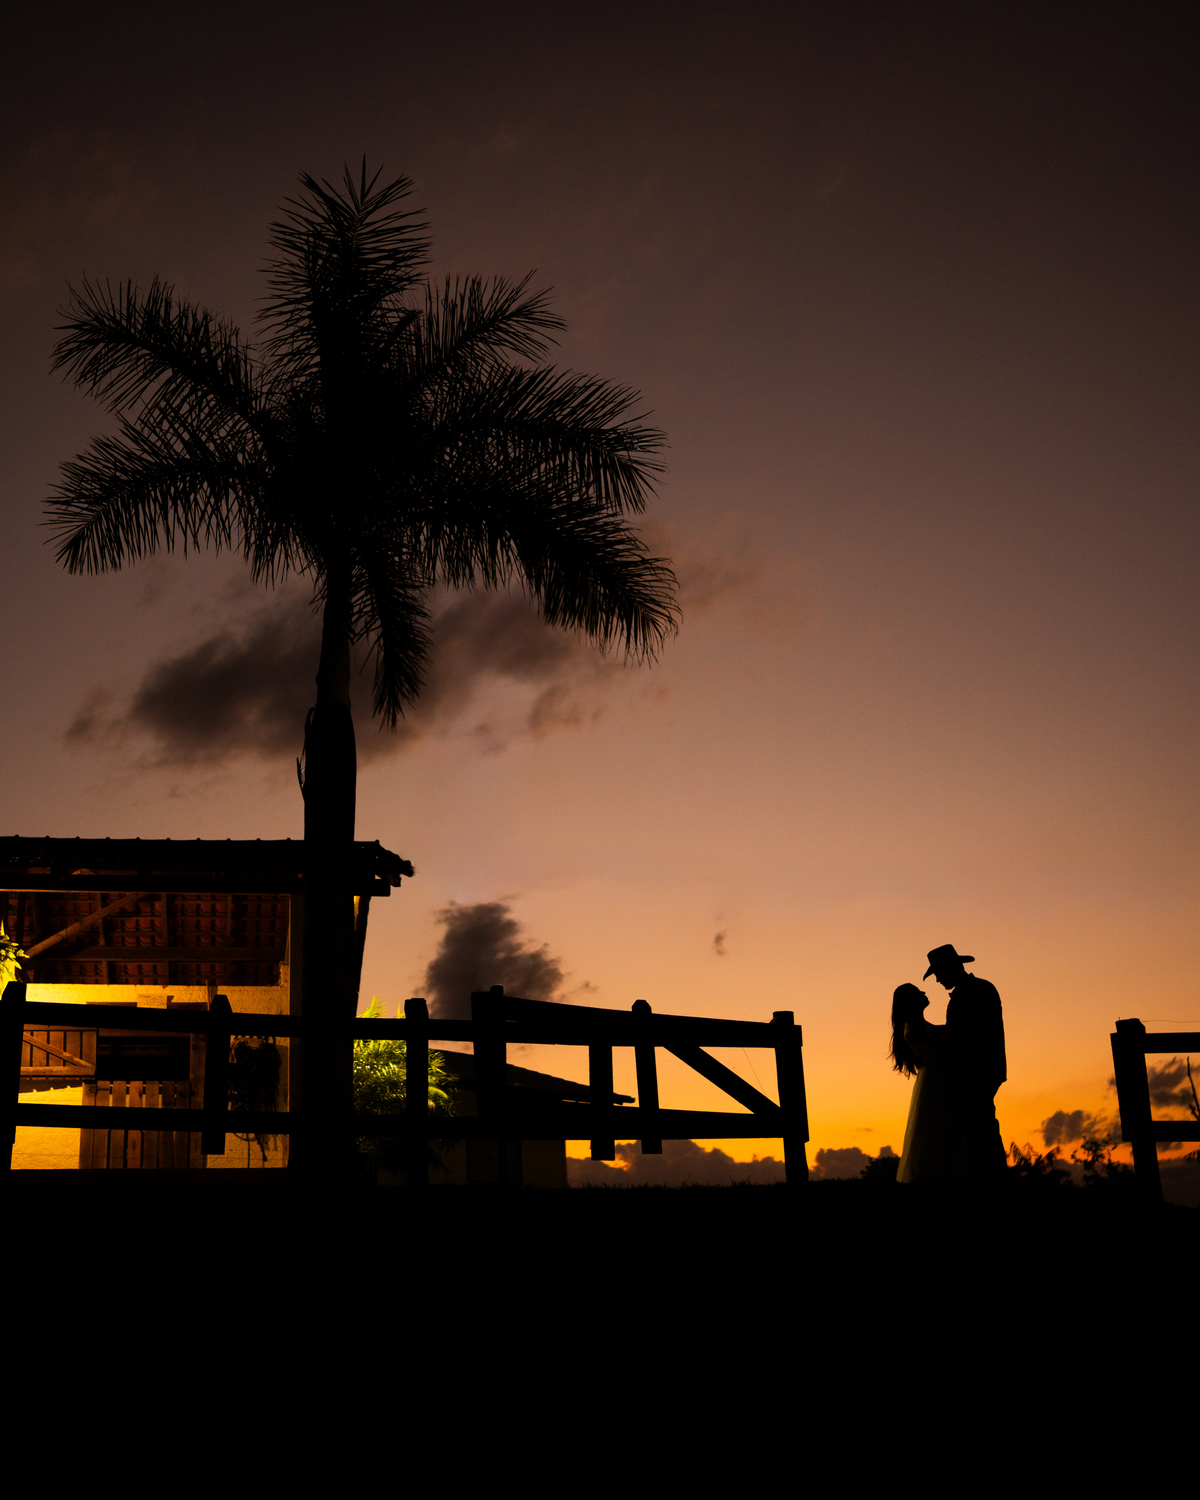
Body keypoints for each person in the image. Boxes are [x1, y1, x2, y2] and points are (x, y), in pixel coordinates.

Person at [923, 943, 1008, 1176]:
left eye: (939, 974)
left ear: (952, 967)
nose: (938, 980)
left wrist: (983, 1070)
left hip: (980, 1071)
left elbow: (980, 1033)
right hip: (978, 1071)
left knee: (981, 1126)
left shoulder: (977, 991)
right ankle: (990, 1178)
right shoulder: (972, 991)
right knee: (978, 1125)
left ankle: (993, 1178)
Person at [891, 983, 968, 1181]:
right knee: (936, 1133)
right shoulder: (912, 1025)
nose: (924, 992)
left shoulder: (917, 1024)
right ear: (909, 1002)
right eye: (918, 992)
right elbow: (939, 1037)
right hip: (935, 1085)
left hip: (939, 1082)